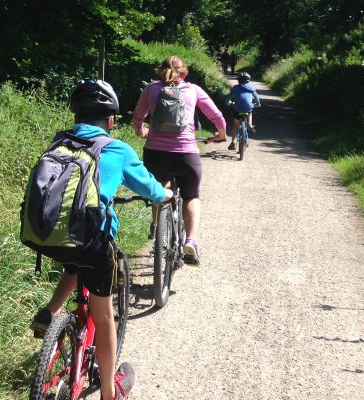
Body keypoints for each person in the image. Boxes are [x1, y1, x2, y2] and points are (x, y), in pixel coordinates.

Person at [29, 79, 173, 400]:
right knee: (104, 315)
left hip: (54, 232)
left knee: (74, 261)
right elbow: (149, 187)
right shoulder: (117, 149)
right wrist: (165, 194)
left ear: (76, 117)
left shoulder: (59, 141)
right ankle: (109, 391)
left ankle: (50, 313)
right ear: (110, 121)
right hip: (94, 240)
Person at [133, 56, 226, 265]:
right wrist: (221, 134)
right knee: (191, 195)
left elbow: (138, 117)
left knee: (160, 189)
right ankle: (191, 241)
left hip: (156, 153)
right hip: (186, 153)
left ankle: (157, 227)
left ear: (161, 71)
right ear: (184, 73)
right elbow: (217, 116)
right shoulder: (193, 90)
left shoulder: (151, 89)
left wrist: (143, 132)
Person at [224, 72, 261, 150]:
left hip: (237, 108)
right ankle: (250, 124)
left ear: (238, 80)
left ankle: (233, 143)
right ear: (248, 80)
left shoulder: (235, 88)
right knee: (250, 110)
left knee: (236, 125)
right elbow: (257, 99)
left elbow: (228, 98)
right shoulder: (252, 88)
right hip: (248, 108)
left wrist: (228, 103)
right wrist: (257, 104)